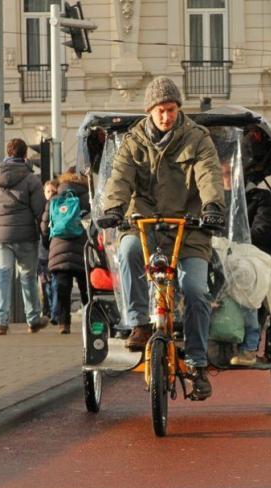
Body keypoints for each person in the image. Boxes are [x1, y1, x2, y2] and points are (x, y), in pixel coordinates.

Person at [96, 76, 225, 400]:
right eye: (160, 110)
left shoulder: (197, 138)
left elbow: (209, 174)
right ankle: (139, 323)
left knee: (196, 289)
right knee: (127, 252)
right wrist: (113, 208)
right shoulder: (133, 140)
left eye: (171, 109)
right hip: (145, 223)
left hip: (190, 227)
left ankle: (196, 362)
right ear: (150, 111)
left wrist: (211, 207)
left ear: (178, 108)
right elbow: (120, 177)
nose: (166, 116)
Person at [0, 138, 49, 335]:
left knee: (3, 276)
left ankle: (1, 322)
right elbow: (41, 211)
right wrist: (43, 233)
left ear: (7, 153)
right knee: (27, 277)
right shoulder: (31, 179)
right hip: (25, 236)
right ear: (25, 155)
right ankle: (33, 320)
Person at [228, 179, 271, 366]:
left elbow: (265, 232)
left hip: (250, 253)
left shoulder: (260, 197)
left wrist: (236, 239)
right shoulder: (209, 190)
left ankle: (248, 346)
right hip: (214, 250)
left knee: (245, 274)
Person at [40, 171, 90, 334]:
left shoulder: (54, 199)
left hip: (58, 247)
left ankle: (64, 324)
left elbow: (45, 225)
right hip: (83, 248)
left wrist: (49, 244)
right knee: (86, 287)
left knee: (62, 287)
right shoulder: (87, 198)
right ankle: (90, 321)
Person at [39, 179, 58, 324]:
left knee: (54, 283)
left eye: (53, 191)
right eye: (48, 191)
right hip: (44, 252)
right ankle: (48, 310)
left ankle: (54, 312)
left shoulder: (58, 206)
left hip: (54, 251)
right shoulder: (41, 208)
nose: (51, 194)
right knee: (45, 284)